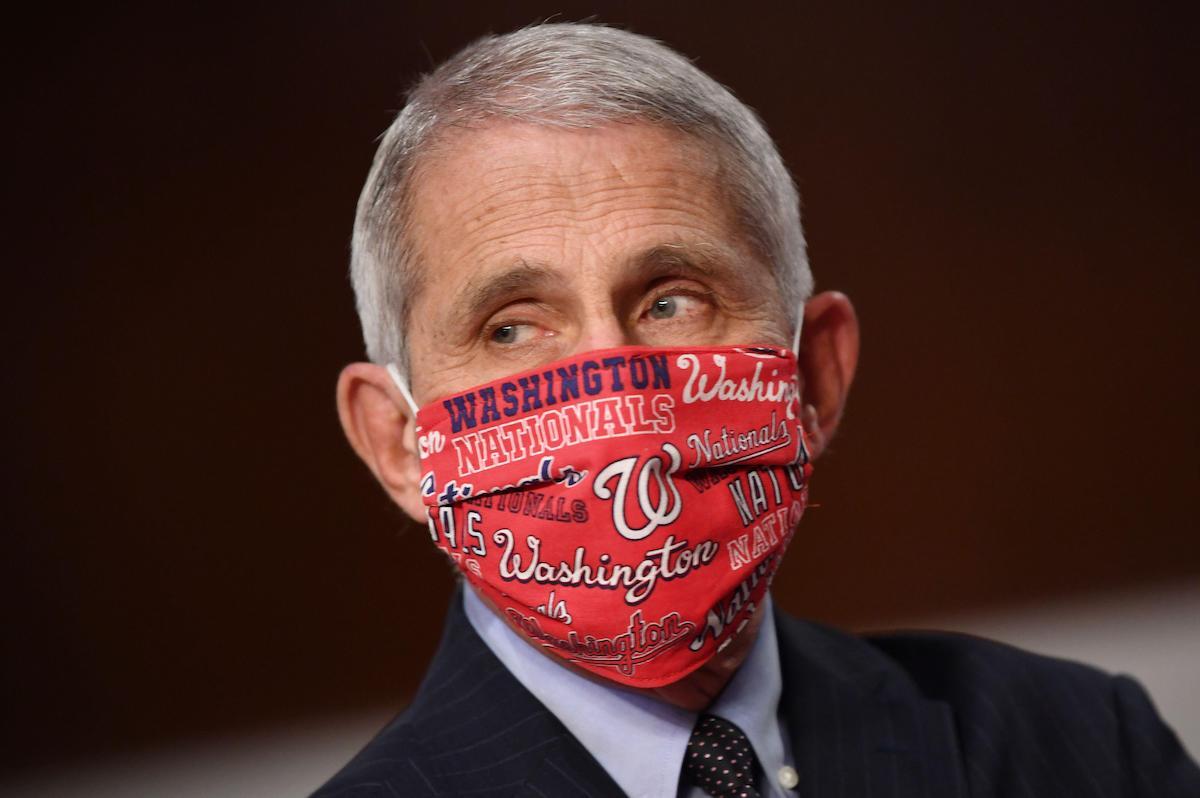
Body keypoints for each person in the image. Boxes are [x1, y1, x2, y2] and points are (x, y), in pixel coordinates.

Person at [317, 22, 1198, 798]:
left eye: (672, 301)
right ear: (398, 443)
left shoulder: (1081, 746)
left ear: (814, 374)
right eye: (510, 328)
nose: (612, 389)